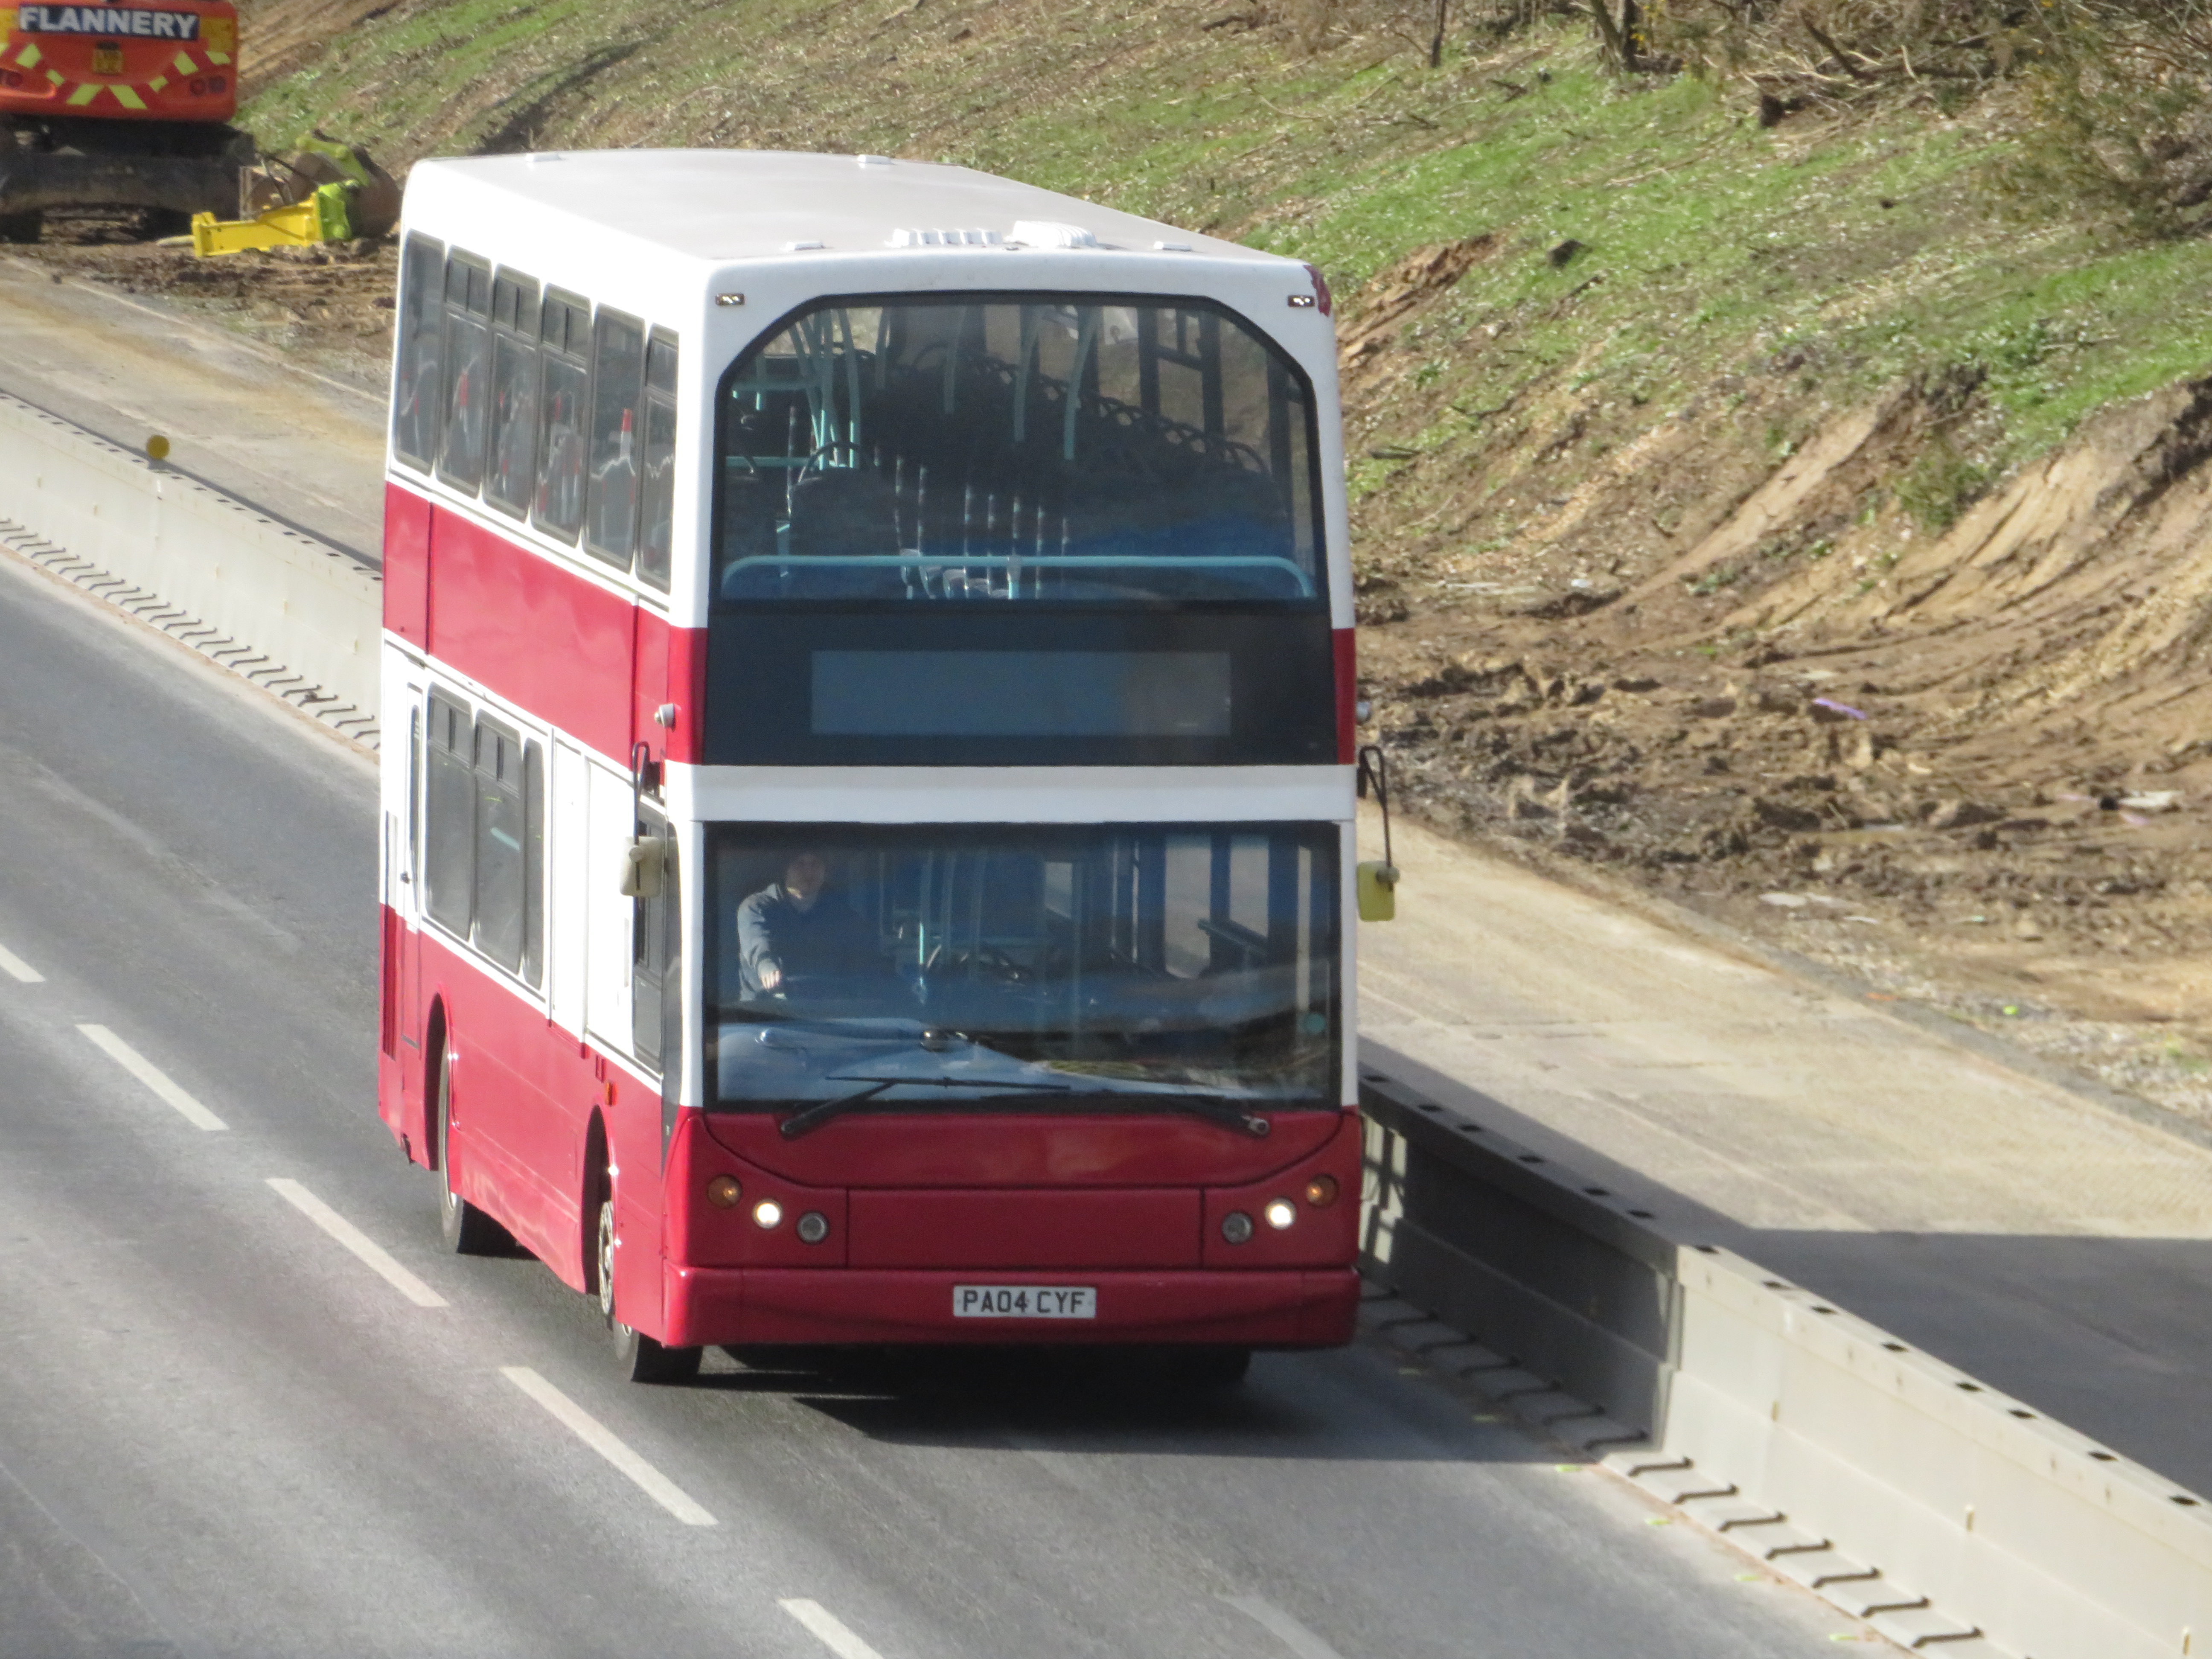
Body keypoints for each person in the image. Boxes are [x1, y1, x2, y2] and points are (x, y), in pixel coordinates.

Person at [735, 851, 877, 999]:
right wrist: (767, 966)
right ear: (785, 869)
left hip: (829, 1009)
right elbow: (757, 941)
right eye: (800, 864)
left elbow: (864, 960)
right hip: (765, 1009)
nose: (809, 872)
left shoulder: (841, 915)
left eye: (815, 864)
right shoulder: (756, 907)